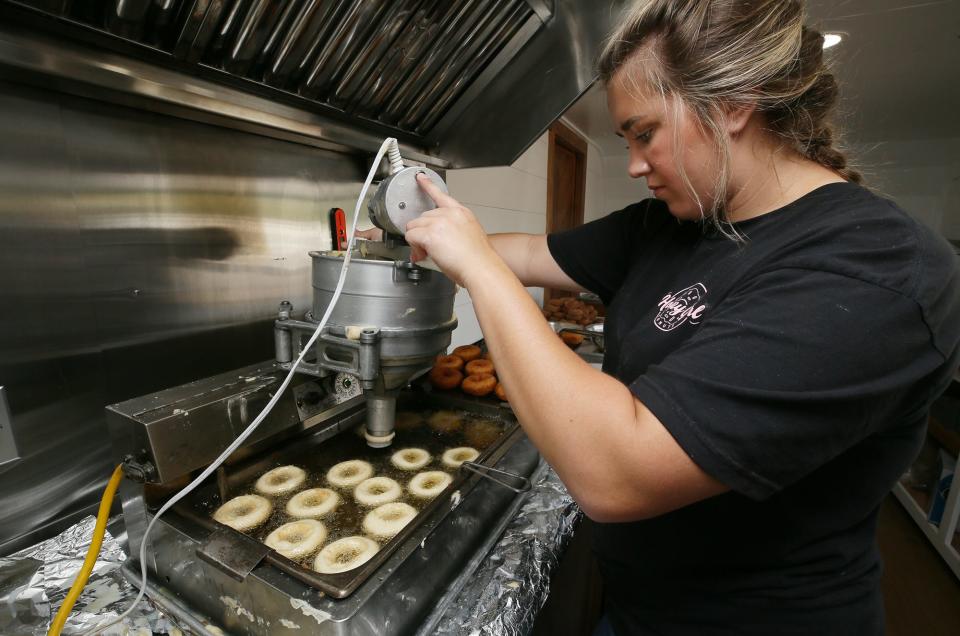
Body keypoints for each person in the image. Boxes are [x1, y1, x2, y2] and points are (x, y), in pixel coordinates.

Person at [369, 1, 960, 633]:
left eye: (644, 132)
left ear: (734, 102)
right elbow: (532, 254)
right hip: (638, 607)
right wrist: (419, 224)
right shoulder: (678, 220)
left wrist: (479, 270)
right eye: (624, 140)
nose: (633, 164)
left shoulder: (876, 270)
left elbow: (616, 471)